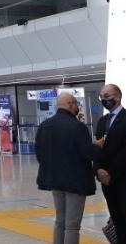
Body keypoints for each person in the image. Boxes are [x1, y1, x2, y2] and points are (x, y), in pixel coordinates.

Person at [36, 93, 102, 244]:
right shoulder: (77, 126)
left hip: (54, 180)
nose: (77, 107)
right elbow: (88, 153)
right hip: (75, 182)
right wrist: (98, 146)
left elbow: (40, 153)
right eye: (76, 104)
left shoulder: (45, 125)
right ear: (71, 104)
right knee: (72, 225)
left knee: (60, 220)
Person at [94, 83, 126, 244]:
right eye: (102, 97)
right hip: (105, 179)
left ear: (118, 97)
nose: (104, 99)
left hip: (123, 178)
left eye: (107, 96)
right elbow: (97, 146)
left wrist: (110, 173)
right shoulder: (102, 121)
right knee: (116, 218)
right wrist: (98, 170)